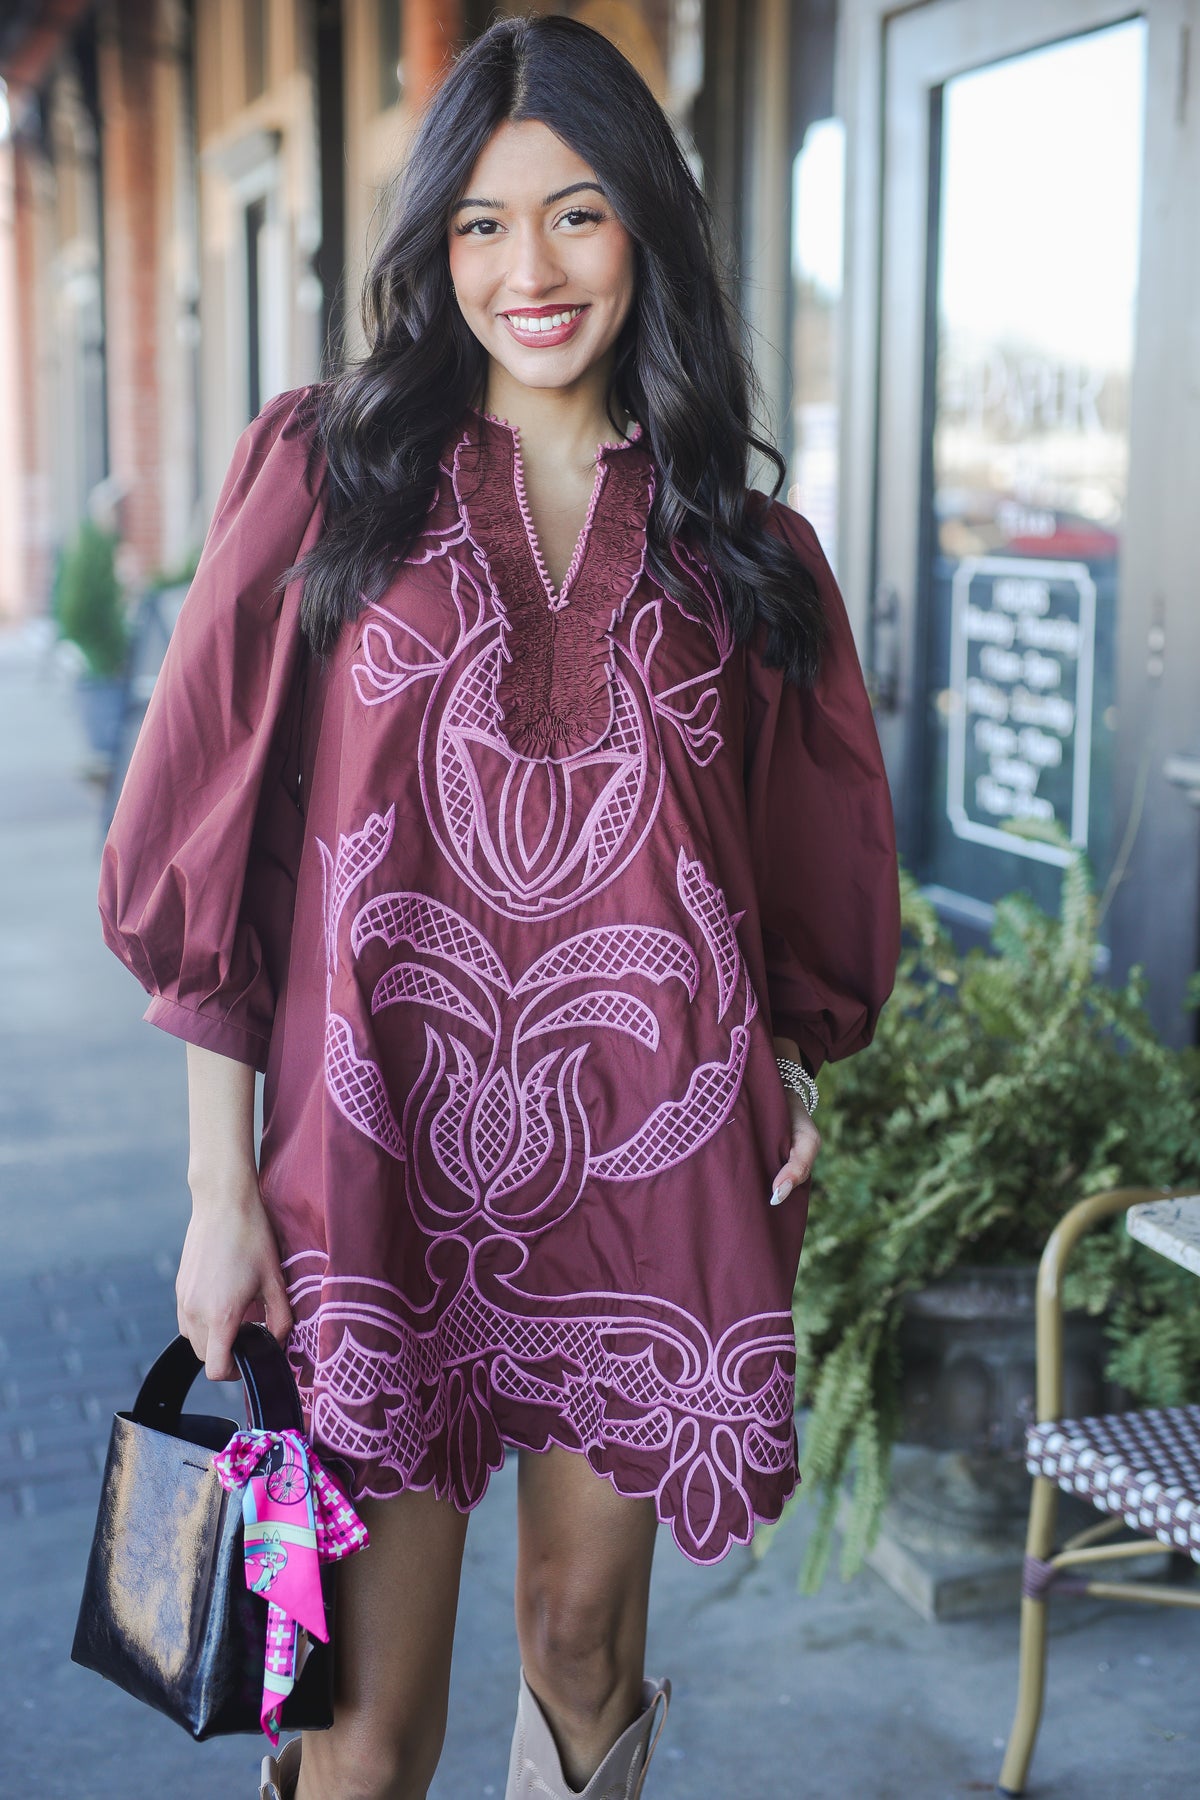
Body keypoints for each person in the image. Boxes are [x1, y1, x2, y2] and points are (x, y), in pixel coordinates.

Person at [98, 16, 900, 1800]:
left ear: (653, 229)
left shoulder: (746, 555)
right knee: (368, 1732)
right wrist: (223, 1199)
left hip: (646, 1186)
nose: (525, 271)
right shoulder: (327, 474)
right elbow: (211, 862)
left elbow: (784, 876)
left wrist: (793, 1058)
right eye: (477, 223)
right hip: (366, 1180)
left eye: (577, 214)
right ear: (428, 245)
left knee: (576, 1640)